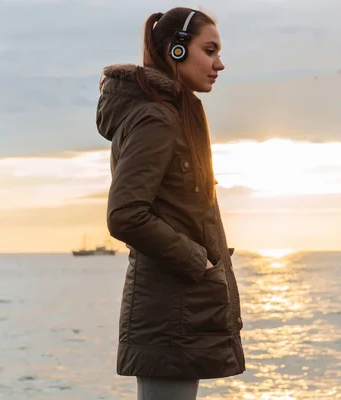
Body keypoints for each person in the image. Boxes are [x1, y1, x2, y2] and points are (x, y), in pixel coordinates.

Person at [95, 7, 245, 400]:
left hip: (181, 307)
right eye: (209, 50)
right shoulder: (156, 118)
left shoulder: (179, 114)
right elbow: (125, 215)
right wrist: (198, 260)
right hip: (169, 311)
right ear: (175, 51)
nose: (219, 64)